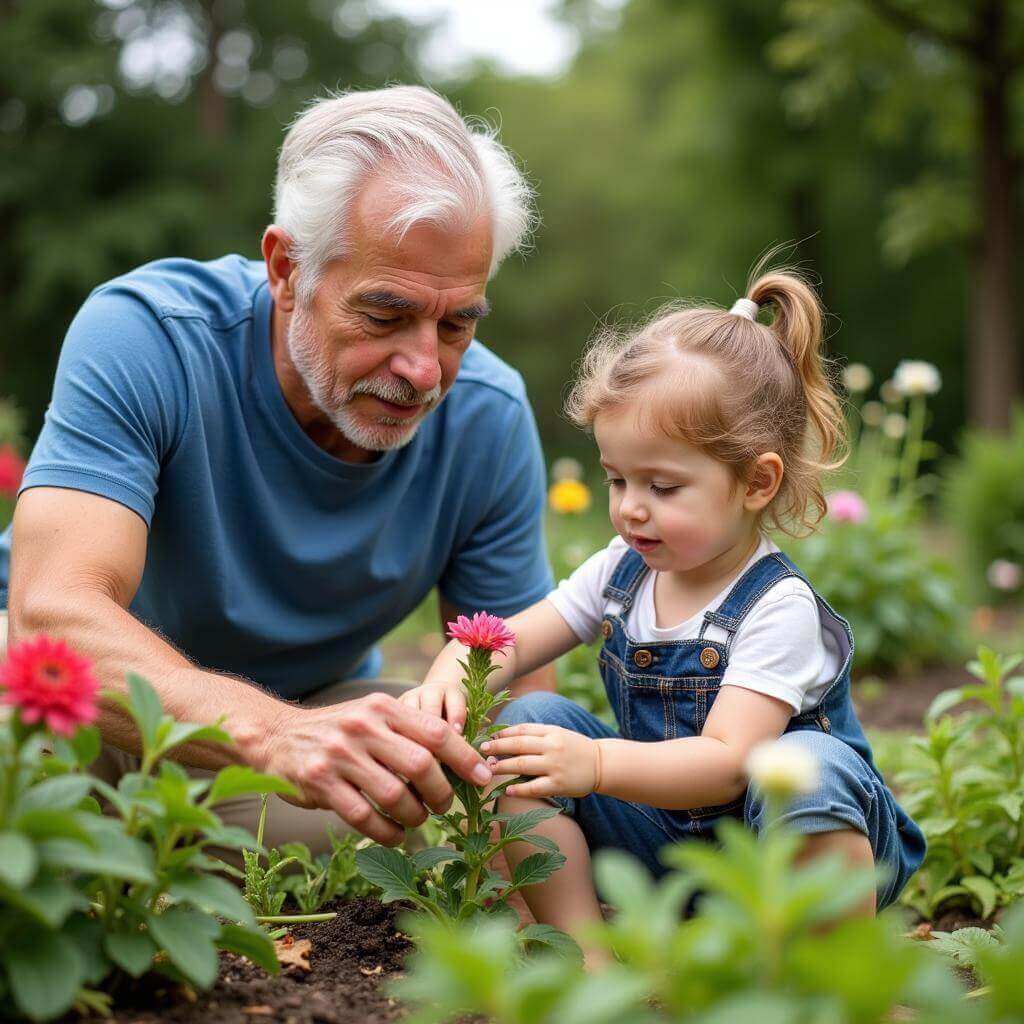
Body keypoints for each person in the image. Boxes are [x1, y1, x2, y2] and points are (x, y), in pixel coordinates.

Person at [0, 85, 557, 851]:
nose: (425, 370)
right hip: (72, 705)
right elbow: (52, 616)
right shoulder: (150, 337)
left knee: (459, 786)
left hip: (307, 716)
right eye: (385, 315)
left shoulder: (488, 416)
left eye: (456, 324)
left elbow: (519, 695)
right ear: (287, 268)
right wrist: (270, 736)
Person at [404, 265, 926, 960]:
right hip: (669, 846)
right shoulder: (622, 569)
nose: (631, 507)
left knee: (808, 764)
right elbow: (516, 639)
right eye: (617, 478)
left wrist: (594, 761)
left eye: (663, 485)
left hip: (784, 854)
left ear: (756, 482)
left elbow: (727, 763)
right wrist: (450, 671)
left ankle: (825, 970)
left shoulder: (776, 607)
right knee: (526, 732)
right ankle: (585, 952)